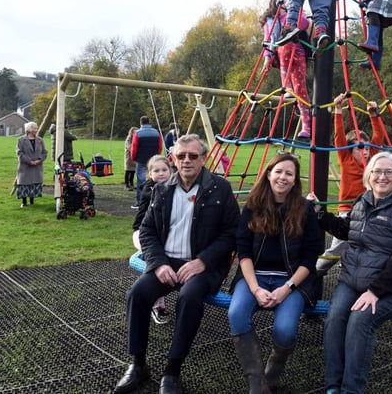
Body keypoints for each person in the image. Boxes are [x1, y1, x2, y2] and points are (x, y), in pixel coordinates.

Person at [113, 134, 239, 394]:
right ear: (173, 159)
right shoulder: (162, 188)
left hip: (202, 263)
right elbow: (146, 230)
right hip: (167, 260)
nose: (187, 160)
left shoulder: (220, 189)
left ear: (204, 159)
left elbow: (231, 233)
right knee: (137, 293)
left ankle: (172, 371)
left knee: (190, 297)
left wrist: (202, 261)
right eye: (181, 156)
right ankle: (138, 364)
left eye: (193, 156)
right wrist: (158, 264)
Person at [308, 152, 392, 394]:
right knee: (334, 320)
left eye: (389, 172)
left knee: (359, 322)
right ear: (369, 176)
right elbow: (346, 229)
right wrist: (319, 214)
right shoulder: (362, 201)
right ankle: (333, 386)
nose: (382, 177)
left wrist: (375, 291)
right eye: (377, 171)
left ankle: (351, 389)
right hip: (352, 280)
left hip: (391, 287)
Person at [228, 152, 321, 394]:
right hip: (255, 275)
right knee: (237, 313)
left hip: (292, 280)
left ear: (295, 180)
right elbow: (243, 251)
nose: (283, 177)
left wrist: (287, 288)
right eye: (278, 171)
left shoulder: (305, 210)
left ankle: (273, 371)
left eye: (289, 173)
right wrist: (255, 288)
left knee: (285, 330)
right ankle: (257, 384)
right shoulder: (252, 206)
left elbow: (311, 257)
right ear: (269, 174)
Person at [316, 93, 383, 278]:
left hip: (369, 211)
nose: (366, 152)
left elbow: (378, 137)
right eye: (360, 149)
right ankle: (313, 273)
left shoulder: (372, 164)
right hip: (348, 212)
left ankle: (354, 272)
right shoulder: (345, 159)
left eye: (368, 148)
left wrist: (374, 115)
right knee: (337, 248)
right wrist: (338, 110)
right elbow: (339, 137)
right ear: (349, 150)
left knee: (368, 246)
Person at [260, 0, 313, 138]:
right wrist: (267, 59)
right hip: (283, 56)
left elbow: (304, 24)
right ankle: (286, 85)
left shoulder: (296, 15)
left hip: (299, 56)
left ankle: (307, 127)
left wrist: (293, 11)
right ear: (277, 4)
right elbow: (269, 41)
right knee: (284, 44)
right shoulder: (272, 21)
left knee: (300, 89)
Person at [131, 155, 173, 325]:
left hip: (159, 232)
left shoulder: (171, 186)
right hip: (142, 231)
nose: (161, 174)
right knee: (156, 263)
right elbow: (158, 194)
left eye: (165, 170)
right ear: (149, 174)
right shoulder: (149, 188)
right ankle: (156, 305)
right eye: (156, 171)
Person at [130, 116, 162, 209]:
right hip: (153, 159)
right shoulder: (156, 132)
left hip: (141, 159)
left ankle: (140, 202)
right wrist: (157, 156)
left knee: (141, 180)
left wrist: (133, 158)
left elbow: (134, 147)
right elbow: (160, 146)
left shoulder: (138, 133)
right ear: (149, 122)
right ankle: (155, 198)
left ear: (141, 123)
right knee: (155, 179)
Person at [16, 121, 48, 208]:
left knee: (34, 183)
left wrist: (39, 160)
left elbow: (44, 152)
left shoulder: (40, 140)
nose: (36, 130)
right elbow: (19, 153)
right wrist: (29, 161)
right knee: (24, 184)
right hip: (25, 166)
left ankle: (32, 201)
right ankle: (24, 202)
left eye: (37, 128)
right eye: (35, 128)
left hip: (37, 167)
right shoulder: (21, 140)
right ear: (30, 129)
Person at [124, 127, 138, 191]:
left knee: (133, 171)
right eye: (134, 132)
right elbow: (129, 147)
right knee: (128, 171)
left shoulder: (136, 138)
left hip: (134, 157)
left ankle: (131, 184)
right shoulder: (129, 139)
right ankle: (126, 185)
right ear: (131, 132)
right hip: (129, 157)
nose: (135, 133)